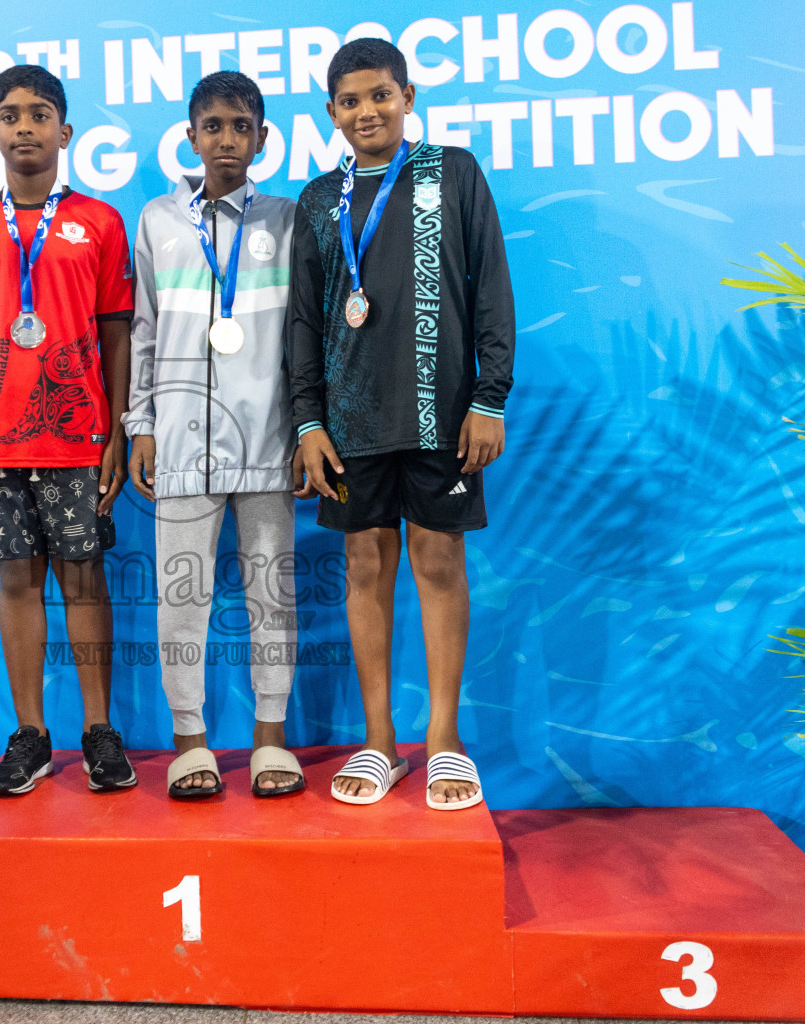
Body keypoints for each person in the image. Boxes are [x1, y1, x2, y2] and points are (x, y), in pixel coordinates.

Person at [287, 38, 515, 809]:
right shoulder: (319, 201)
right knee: (364, 570)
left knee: (440, 564)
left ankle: (444, 740)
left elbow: (491, 290)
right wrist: (308, 423)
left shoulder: (452, 172)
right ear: (331, 113)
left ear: (407, 96)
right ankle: (380, 740)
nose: (366, 112)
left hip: (442, 414)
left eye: (380, 96)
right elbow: (302, 323)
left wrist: (489, 397)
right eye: (349, 101)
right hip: (350, 424)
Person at [0, 64, 136, 796]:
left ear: (65, 131)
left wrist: (118, 426)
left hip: (81, 438)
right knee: (16, 584)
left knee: (85, 582)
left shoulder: (102, 223)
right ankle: (30, 734)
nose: (25, 126)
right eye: (11, 114)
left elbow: (116, 335)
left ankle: (98, 732)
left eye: (40, 113)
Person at [125, 71, 303, 800]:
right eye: (213, 127)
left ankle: (270, 740)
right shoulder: (158, 222)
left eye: (241, 127)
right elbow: (142, 330)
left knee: (272, 592)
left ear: (262, 138)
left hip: (268, 438)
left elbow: (305, 338)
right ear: (191, 137)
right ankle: (190, 740)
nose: (226, 140)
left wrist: (306, 429)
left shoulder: (289, 221)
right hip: (181, 443)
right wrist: (140, 424)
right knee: (182, 594)